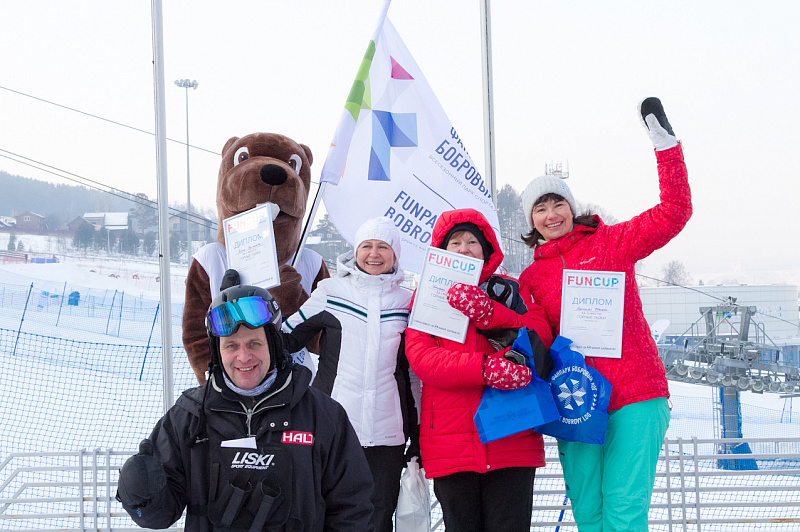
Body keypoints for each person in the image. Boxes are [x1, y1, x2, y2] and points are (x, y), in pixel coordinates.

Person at [518, 97, 691, 532]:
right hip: (576, 400)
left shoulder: (611, 243)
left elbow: (674, 211)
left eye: (557, 204)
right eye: (540, 208)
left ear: (571, 207)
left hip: (635, 394)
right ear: (531, 221)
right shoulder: (532, 279)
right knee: (589, 514)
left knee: (623, 511)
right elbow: (532, 337)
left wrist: (666, 148)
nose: (551, 214)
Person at [116, 279, 375, 531]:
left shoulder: (323, 416)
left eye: (254, 343)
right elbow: (159, 516)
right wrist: (141, 494)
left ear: (273, 345)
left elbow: (352, 510)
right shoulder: (189, 416)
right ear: (218, 351)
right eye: (231, 346)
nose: (243, 357)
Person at [405, 207, 554, 532]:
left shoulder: (511, 290)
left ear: (487, 250)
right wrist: (484, 369)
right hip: (451, 444)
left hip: (512, 437)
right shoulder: (426, 296)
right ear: (442, 251)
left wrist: (489, 313)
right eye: (455, 242)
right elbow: (422, 358)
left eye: (472, 242)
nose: (464, 249)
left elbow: (540, 335)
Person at [284, 216, 419, 532]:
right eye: (366, 246)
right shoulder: (332, 292)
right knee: (325, 512)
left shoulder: (407, 303)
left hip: (388, 433)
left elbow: (415, 375)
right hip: (333, 427)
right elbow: (284, 339)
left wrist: (419, 435)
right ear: (355, 251)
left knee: (378, 515)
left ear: (395, 254)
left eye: (383, 247)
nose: (374, 254)